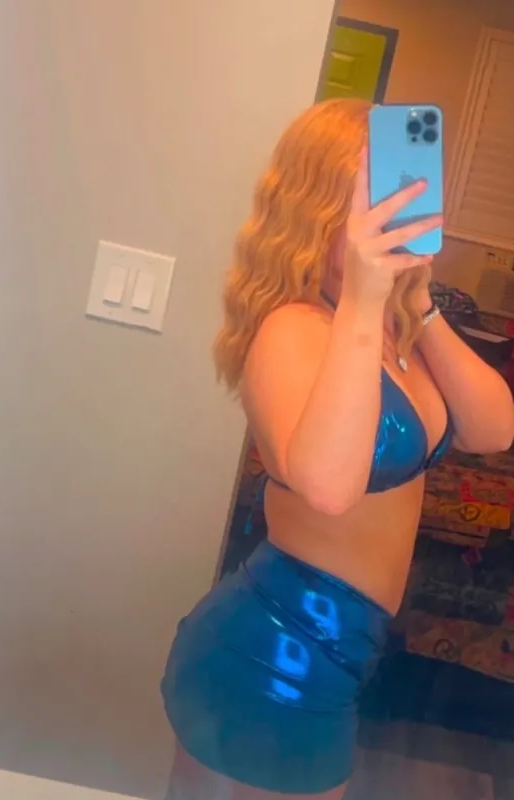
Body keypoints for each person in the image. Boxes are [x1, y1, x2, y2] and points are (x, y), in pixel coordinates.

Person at [161, 99, 514, 799]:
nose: (396, 213)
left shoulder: (391, 327)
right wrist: (362, 296)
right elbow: (327, 487)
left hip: (343, 659)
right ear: (320, 205)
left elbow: (494, 429)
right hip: (273, 659)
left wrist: (418, 302)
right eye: (375, 197)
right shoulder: (293, 328)